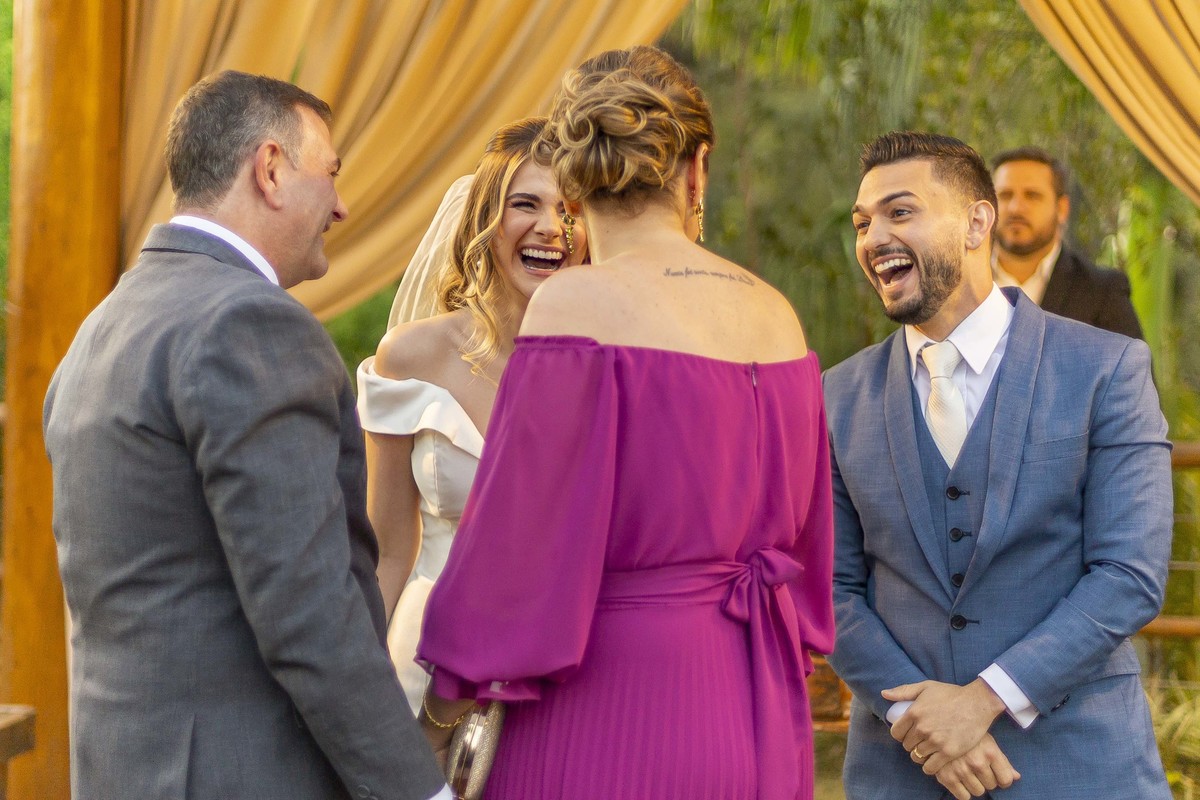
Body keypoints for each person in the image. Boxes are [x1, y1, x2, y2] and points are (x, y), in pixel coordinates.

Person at [415, 45, 835, 800]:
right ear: (697, 170)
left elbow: (516, 548)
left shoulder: (574, 306)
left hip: (607, 699)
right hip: (754, 704)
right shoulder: (777, 315)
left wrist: (439, 717)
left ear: (572, 184)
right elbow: (807, 542)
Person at [43, 70, 447, 800]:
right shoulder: (247, 324)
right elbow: (311, 617)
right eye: (331, 173)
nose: (342, 206)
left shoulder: (102, 327)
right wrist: (422, 792)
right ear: (270, 169)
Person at [826, 131, 1172, 799]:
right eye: (863, 222)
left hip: (1079, 764)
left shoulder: (1107, 369)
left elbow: (1129, 573)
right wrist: (922, 723)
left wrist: (983, 700)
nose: (873, 238)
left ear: (976, 223)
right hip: (902, 771)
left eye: (901, 212)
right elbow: (829, 587)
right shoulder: (834, 396)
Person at [357, 116, 587, 714]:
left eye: (569, 209)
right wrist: (355, 695)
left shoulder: (607, 367)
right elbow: (387, 552)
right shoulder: (411, 357)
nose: (550, 226)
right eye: (525, 204)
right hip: (426, 669)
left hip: (565, 673)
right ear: (487, 217)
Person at [991, 146, 1142, 338]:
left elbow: (1131, 358)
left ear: (1062, 208)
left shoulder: (1102, 292)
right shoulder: (960, 284)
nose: (1016, 208)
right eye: (1005, 195)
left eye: (1032, 195)